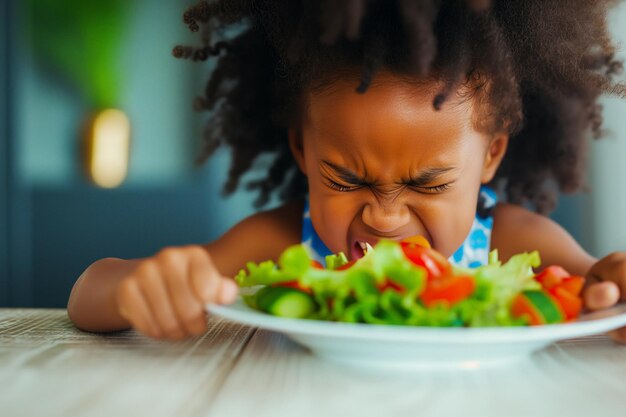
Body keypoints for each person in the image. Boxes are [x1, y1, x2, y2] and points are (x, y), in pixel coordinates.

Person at [68, 0, 626, 341]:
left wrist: (614, 288)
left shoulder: (512, 241)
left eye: (426, 183)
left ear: (492, 156)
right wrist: (137, 291)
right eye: (347, 179)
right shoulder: (280, 243)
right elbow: (86, 294)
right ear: (302, 150)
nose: (384, 218)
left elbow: (601, 291)